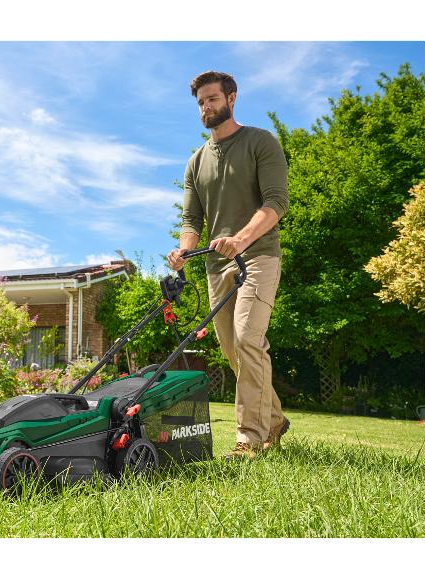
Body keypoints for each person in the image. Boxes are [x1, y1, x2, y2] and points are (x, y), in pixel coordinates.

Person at [167, 70, 290, 459]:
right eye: (201, 102)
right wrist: (184, 250)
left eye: (213, 99)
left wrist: (241, 238)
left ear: (232, 98)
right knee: (232, 351)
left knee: (247, 338)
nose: (206, 107)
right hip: (216, 267)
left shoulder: (259, 142)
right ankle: (274, 419)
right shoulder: (196, 162)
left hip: (258, 255)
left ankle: (249, 438)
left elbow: (275, 203)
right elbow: (191, 222)